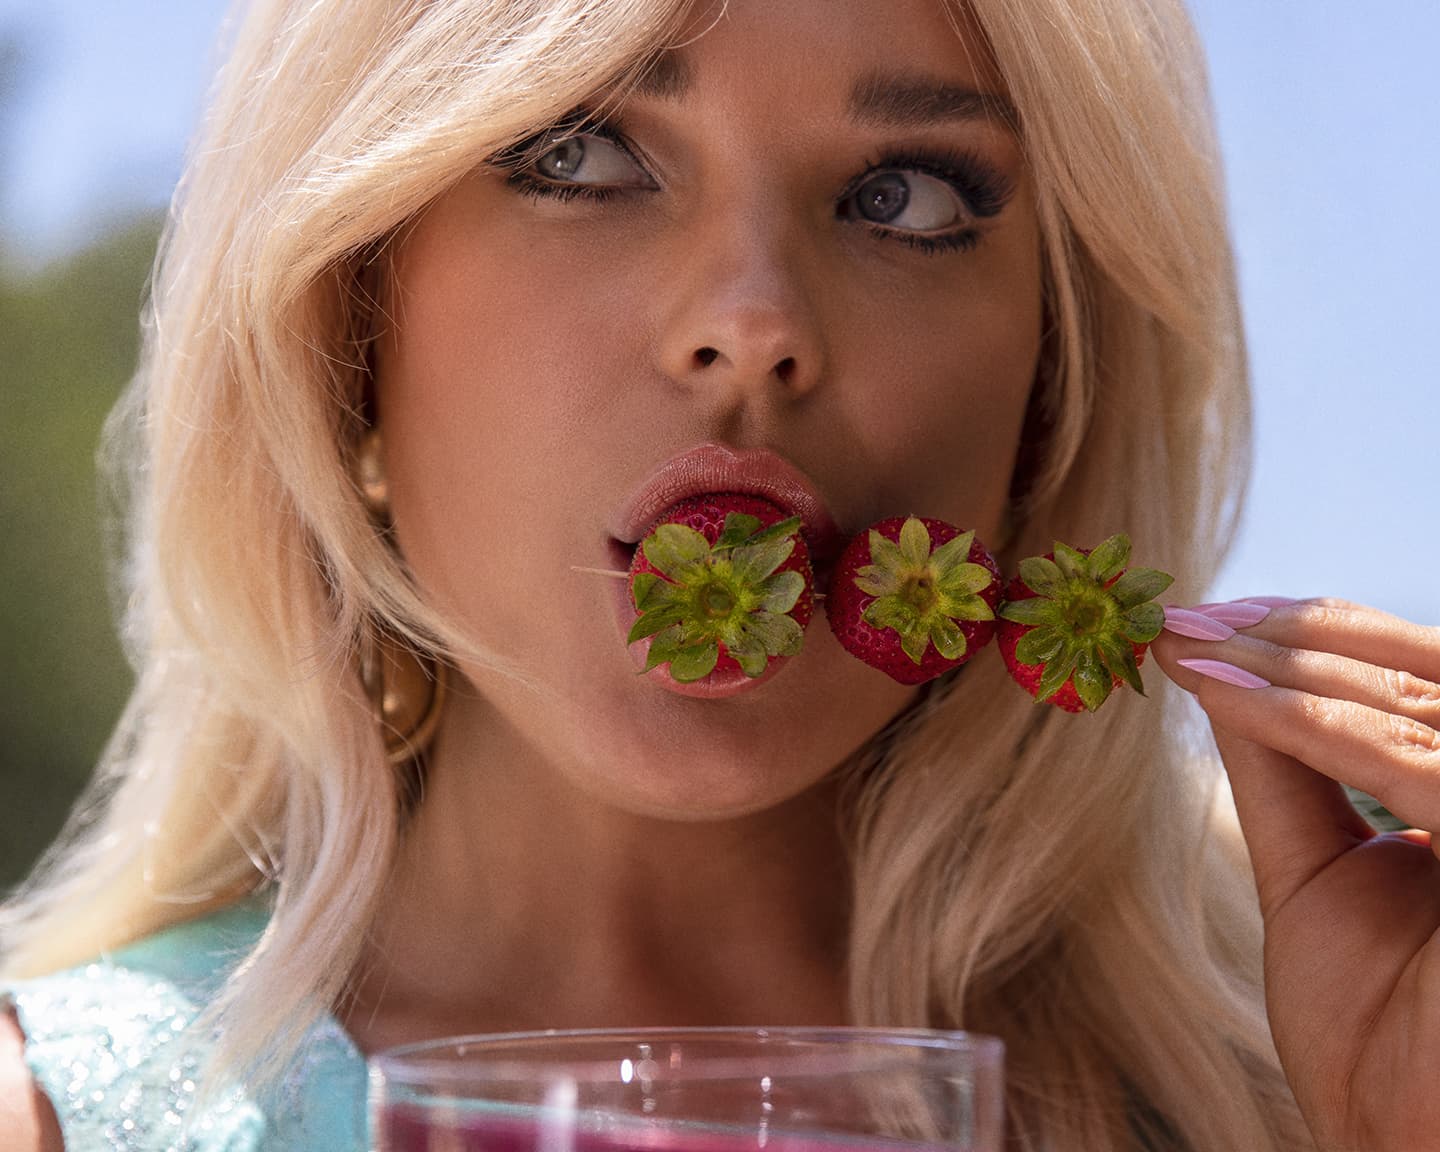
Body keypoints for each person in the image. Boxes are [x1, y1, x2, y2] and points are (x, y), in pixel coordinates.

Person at [2, 0, 1436, 1147]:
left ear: (1050, 389)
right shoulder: (61, 1119)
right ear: (350, 328)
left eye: (905, 196)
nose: (753, 323)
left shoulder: (1305, 1084)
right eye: (580, 157)